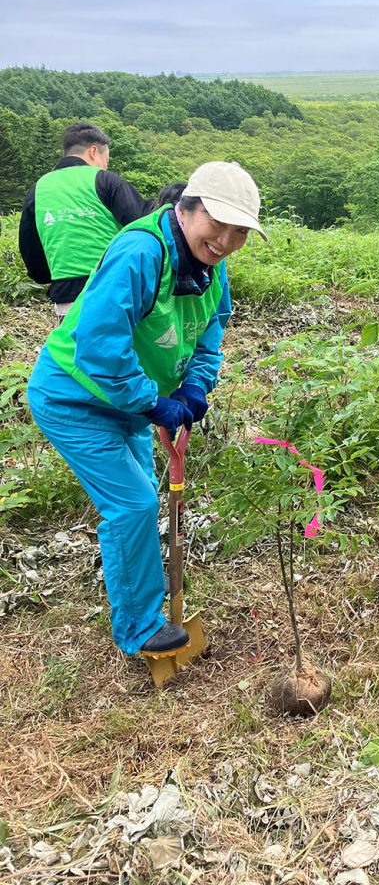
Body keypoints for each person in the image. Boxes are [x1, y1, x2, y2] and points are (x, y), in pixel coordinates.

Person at [26, 161, 267, 658]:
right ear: (187, 208)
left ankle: (145, 603)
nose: (224, 240)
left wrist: (194, 389)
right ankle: (139, 628)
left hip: (131, 406)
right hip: (75, 399)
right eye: (216, 224)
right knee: (134, 504)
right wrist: (152, 402)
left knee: (138, 502)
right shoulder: (141, 251)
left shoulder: (211, 266)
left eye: (238, 232)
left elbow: (211, 331)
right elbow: (99, 343)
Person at [18, 122, 153, 323]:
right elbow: (146, 226)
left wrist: (53, 276)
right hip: (114, 289)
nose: (106, 166)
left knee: (71, 352)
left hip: (66, 298)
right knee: (118, 350)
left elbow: (31, 251)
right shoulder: (106, 181)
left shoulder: (38, 190)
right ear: (93, 152)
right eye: (105, 160)